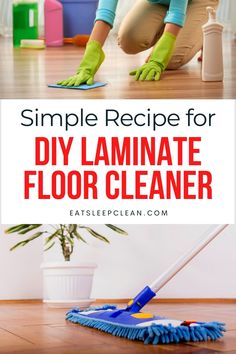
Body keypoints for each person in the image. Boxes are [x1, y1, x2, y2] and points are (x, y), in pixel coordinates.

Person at [58, 0, 219, 86]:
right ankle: (172, 29)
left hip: (197, 1)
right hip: (157, 2)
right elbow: (106, 9)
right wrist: (92, 54)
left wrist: (158, 58)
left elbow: (177, 11)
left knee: (171, 59)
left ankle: (204, 31)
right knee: (128, 40)